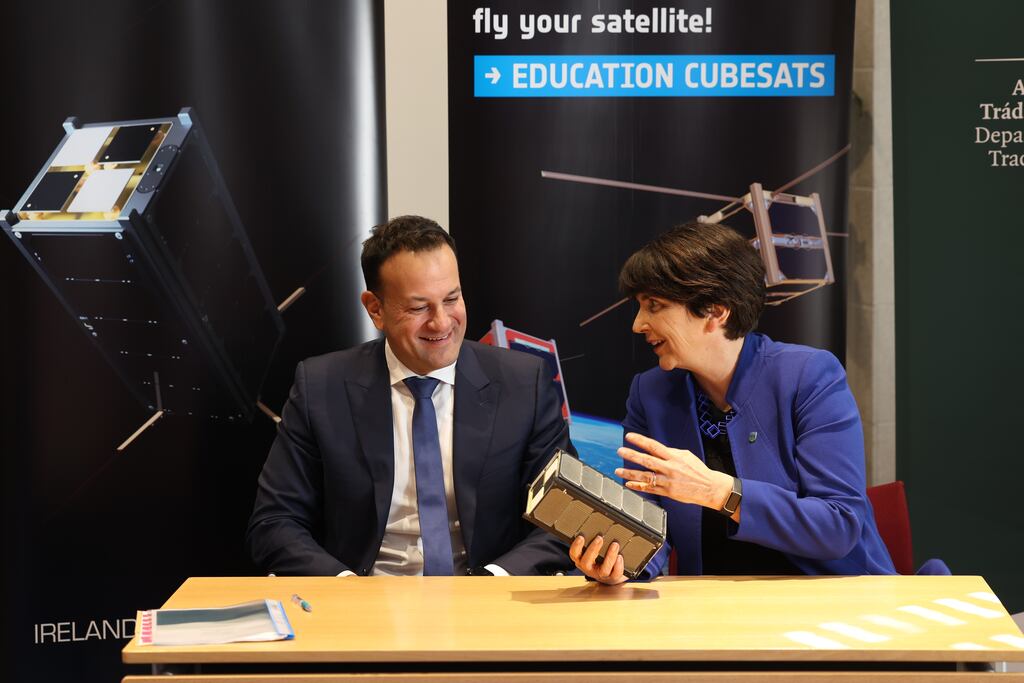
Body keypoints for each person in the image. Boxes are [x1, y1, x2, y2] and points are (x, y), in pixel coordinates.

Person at [247, 215, 575, 577]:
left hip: (486, 604)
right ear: (375, 309)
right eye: (419, 308)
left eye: (452, 299)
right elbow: (275, 523)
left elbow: (562, 517)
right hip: (363, 607)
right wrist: (346, 590)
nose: (442, 322)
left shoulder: (523, 384)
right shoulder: (321, 387)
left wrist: (490, 584)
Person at [569, 221, 895, 584]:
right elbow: (649, 523)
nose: (638, 324)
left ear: (716, 310)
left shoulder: (810, 376)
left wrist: (718, 491)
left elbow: (838, 525)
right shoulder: (650, 393)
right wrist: (622, 563)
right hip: (712, 611)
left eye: (654, 305)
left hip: (832, 601)